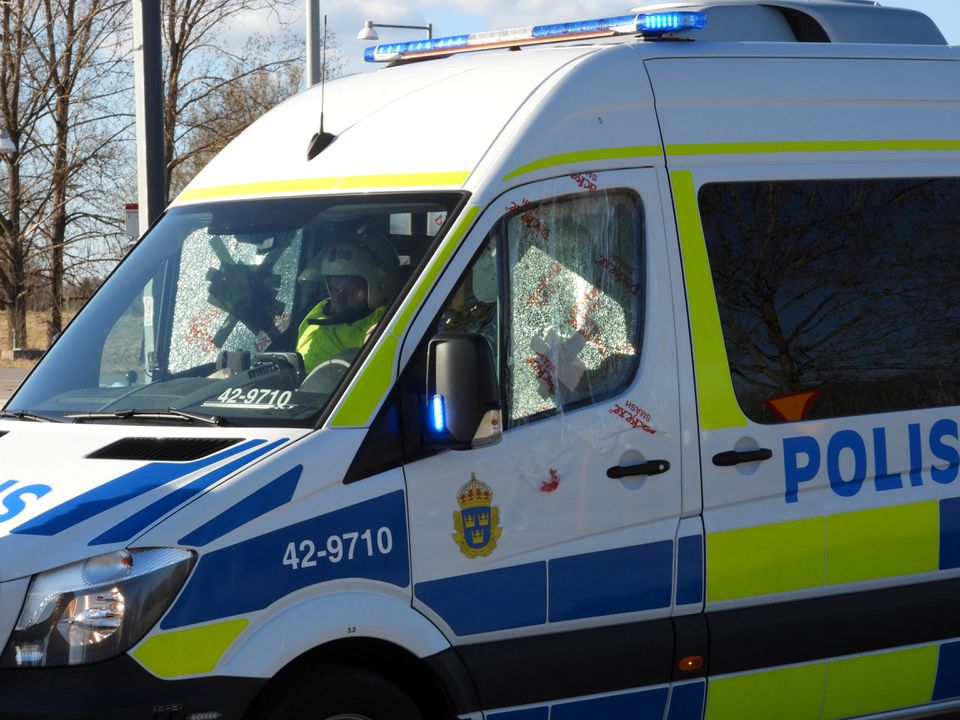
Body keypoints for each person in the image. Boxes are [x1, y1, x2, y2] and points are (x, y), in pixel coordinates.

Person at [296, 234, 401, 374]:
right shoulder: (317, 311)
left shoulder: (383, 324)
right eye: (333, 287)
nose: (338, 300)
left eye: (351, 290)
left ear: (380, 285)